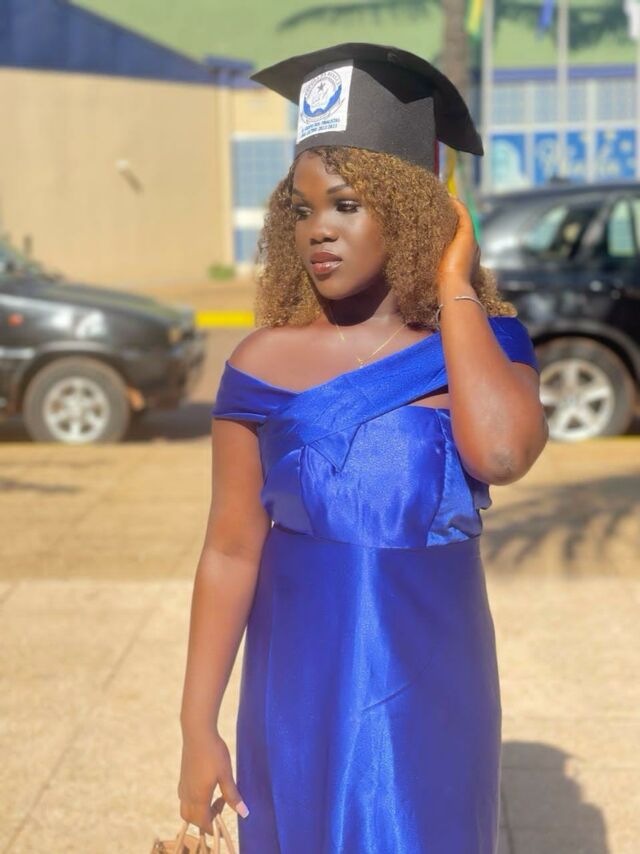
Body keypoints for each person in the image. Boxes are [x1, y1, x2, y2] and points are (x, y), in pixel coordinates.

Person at [177, 43, 548, 853]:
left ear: (411, 211)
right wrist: (197, 725)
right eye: (301, 209)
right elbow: (231, 550)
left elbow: (501, 455)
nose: (319, 229)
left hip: (434, 687)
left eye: (346, 204)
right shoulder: (261, 363)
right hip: (296, 688)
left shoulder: (483, 349)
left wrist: (454, 284)